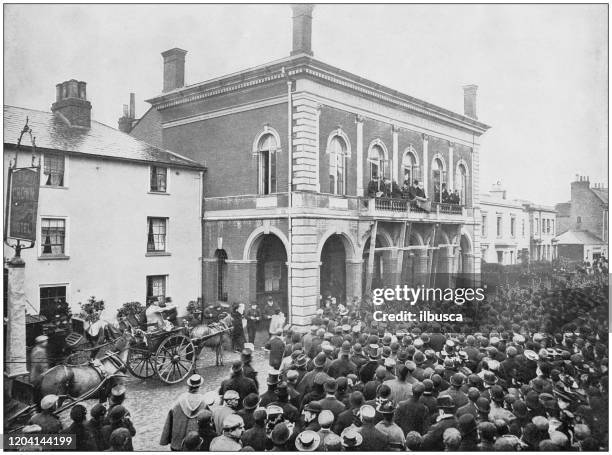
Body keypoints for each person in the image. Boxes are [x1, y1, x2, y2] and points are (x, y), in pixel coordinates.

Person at [160, 374, 208, 451]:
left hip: (177, 443)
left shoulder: (179, 401)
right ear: (199, 386)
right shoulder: (204, 402)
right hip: (194, 444)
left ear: (189, 386)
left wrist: (166, 438)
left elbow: (169, 419)